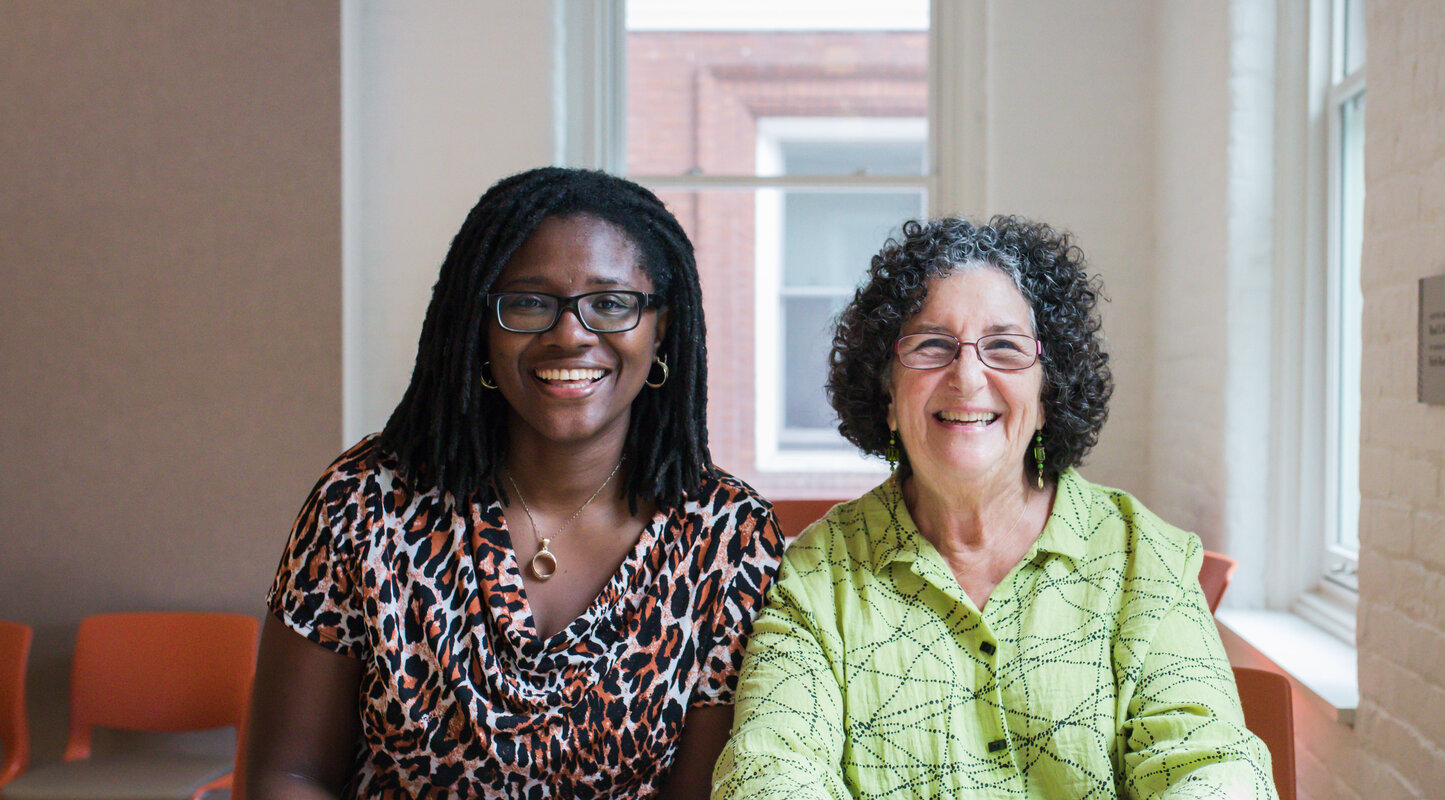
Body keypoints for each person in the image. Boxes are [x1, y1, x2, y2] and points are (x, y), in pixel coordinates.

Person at [245, 167, 784, 799]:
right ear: (480, 325)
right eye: (529, 303)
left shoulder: (728, 540)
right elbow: (289, 775)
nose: (571, 334)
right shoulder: (362, 505)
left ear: (660, 327)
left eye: (611, 303)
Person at [712, 216, 1276, 799]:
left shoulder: (1144, 559)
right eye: (932, 345)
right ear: (886, 395)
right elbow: (769, 773)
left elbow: (1209, 766)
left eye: (1004, 348)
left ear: (1047, 394)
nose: (967, 376)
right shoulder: (817, 576)